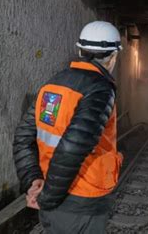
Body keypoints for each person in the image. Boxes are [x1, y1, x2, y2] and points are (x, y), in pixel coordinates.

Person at [13, 21, 123, 233]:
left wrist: (33, 179)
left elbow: (23, 136)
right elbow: (73, 148)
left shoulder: (53, 84)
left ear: (79, 50)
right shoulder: (100, 90)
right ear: (113, 57)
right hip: (82, 200)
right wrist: (48, 198)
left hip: (51, 193)